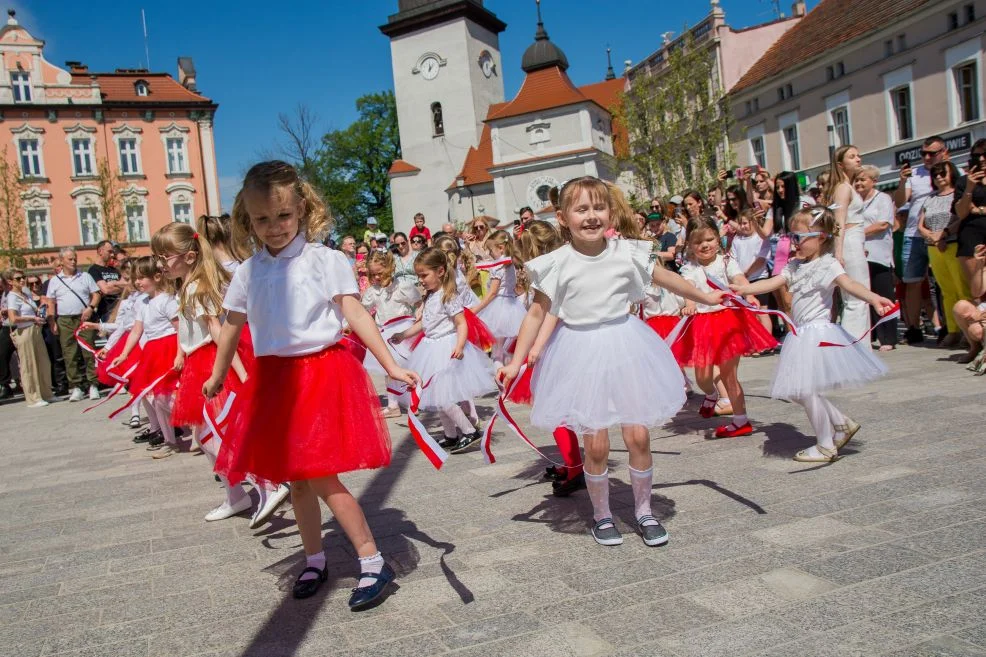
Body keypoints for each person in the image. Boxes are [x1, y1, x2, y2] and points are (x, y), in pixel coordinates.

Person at [204, 160, 419, 609]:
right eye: (262, 219)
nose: (274, 227)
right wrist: (219, 372)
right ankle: (315, 557)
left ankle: (372, 560)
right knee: (297, 481)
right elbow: (231, 324)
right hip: (274, 381)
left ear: (302, 208)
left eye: (283, 216)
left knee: (321, 474)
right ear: (247, 219)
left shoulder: (326, 259)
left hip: (319, 374)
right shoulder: (248, 272)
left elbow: (356, 314)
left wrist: (392, 365)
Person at [499, 176, 725, 548]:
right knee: (598, 444)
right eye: (581, 209)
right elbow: (537, 314)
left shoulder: (627, 252)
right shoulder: (555, 263)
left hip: (626, 346)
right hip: (581, 352)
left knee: (638, 435)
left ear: (610, 212)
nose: (591, 216)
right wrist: (515, 361)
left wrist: (704, 296)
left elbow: (665, 277)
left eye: (598, 207)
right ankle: (602, 515)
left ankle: (644, 510)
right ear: (563, 217)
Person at [731, 207, 894, 462]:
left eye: (800, 237)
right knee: (797, 391)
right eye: (793, 237)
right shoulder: (795, 266)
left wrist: (874, 298)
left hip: (816, 333)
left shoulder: (828, 265)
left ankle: (826, 444)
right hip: (800, 334)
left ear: (822, 237)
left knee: (804, 390)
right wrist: (744, 288)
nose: (794, 243)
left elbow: (850, 284)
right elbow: (773, 282)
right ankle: (841, 423)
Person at [675, 216, 778, 438]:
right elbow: (688, 288)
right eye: (698, 242)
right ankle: (711, 394)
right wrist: (690, 304)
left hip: (728, 321)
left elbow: (740, 279)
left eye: (710, 239)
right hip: (703, 323)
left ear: (718, 238)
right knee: (703, 377)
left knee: (729, 374)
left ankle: (740, 420)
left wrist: (749, 295)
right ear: (690, 246)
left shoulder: (726, 261)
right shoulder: (690, 268)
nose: (705, 245)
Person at [391, 247, 497, 454]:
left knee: (444, 396)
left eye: (424, 275)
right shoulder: (430, 296)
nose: (421, 280)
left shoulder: (448, 296)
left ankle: (469, 431)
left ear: (440, 271)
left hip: (445, 348)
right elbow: (424, 324)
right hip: (430, 347)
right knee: (436, 395)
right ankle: (450, 435)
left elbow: (461, 323)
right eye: (419, 276)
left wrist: (459, 346)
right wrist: (404, 334)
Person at [510, 220, 585, 497]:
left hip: (556, 346)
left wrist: (535, 346)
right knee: (558, 408)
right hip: (555, 344)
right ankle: (572, 462)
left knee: (556, 408)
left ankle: (576, 467)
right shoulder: (553, 269)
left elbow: (547, 312)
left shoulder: (550, 272)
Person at [110, 256, 181, 459]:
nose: (138, 282)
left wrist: (179, 354)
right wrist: (124, 354)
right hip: (153, 352)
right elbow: (136, 331)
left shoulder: (167, 300)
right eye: (136, 278)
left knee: (171, 396)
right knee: (156, 397)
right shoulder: (143, 304)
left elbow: (179, 329)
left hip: (168, 348)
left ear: (157, 277)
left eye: (142, 278)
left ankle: (194, 429)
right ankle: (170, 440)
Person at [894, 135, 950, 344]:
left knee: (944, 282)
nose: (926, 157)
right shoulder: (914, 175)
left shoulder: (952, 172)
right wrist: (901, 181)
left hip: (941, 234)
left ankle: (947, 326)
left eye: (932, 153)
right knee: (912, 283)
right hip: (913, 235)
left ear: (944, 152)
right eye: (923, 154)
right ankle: (913, 327)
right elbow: (900, 201)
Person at [361, 250, 421, 418]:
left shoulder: (402, 286)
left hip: (403, 330)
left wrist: (419, 312)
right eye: (373, 274)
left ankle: (417, 398)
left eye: (380, 273)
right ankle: (393, 405)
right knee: (389, 368)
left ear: (388, 268)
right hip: (385, 333)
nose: (377, 277)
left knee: (410, 366)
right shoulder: (373, 291)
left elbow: (418, 302)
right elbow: (362, 310)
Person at [85, 262, 144, 429]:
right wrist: (107, 344)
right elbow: (121, 327)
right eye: (128, 278)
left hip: (146, 342)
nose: (132, 282)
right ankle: (135, 413)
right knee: (133, 380)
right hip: (131, 344)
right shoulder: (126, 303)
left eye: (133, 278)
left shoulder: (145, 299)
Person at [918, 161, 971, 348]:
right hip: (934, 247)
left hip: (953, 244)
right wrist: (931, 236)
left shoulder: (957, 194)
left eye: (943, 173)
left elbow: (960, 217)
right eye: (935, 174)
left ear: (952, 174)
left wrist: (944, 234)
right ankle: (953, 330)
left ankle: (968, 331)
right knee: (946, 291)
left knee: (961, 289)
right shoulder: (930, 198)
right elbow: (920, 224)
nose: (939, 177)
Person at [43, 247, 102, 402]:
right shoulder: (55, 281)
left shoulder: (85, 276)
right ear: (61, 261)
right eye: (70, 259)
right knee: (69, 353)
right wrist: (52, 321)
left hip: (83, 317)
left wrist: (90, 308)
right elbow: (51, 302)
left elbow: (96, 294)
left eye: (75, 258)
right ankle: (76, 386)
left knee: (88, 350)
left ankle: (93, 384)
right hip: (64, 319)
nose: (74, 261)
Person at [825, 145, 871, 339]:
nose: (858, 159)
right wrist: (839, 252)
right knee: (857, 298)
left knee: (859, 298)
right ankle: (856, 348)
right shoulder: (843, 188)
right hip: (849, 243)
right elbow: (839, 221)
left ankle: (859, 346)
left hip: (854, 243)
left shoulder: (847, 186)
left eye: (858, 156)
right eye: (852, 157)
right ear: (841, 164)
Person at [855, 165, 898, 351]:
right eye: (856, 179)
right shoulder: (856, 202)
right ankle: (870, 334)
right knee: (866, 295)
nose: (858, 183)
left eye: (863, 179)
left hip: (879, 254)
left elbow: (882, 223)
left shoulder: (883, 198)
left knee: (884, 294)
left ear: (874, 181)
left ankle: (888, 337)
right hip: (859, 254)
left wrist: (858, 233)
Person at [472, 230, 527, 367]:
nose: (489, 254)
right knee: (506, 348)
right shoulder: (512, 265)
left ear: (501, 248)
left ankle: (500, 378)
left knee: (497, 352)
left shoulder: (497, 267)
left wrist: (476, 309)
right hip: (513, 305)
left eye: (490, 250)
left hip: (499, 307)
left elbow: (492, 293)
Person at [5, 269, 52, 407]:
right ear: (10, 281)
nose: (22, 280)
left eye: (23, 277)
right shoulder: (12, 296)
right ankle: (33, 398)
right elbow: (13, 319)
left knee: (43, 362)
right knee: (28, 365)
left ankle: (46, 393)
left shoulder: (25, 293)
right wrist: (32, 317)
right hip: (23, 331)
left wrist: (38, 314)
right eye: (18, 278)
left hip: (35, 329)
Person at [729, 209, 774, 342]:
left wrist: (747, 272)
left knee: (762, 311)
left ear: (754, 223)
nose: (743, 226)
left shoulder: (761, 239)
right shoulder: (737, 240)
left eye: (745, 223)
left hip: (759, 278)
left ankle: (767, 341)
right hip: (744, 281)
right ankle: (755, 341)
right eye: (741, 223)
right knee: (750, 313)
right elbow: (733, 257)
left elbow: (761, 259)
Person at [954, 139, 986, 300]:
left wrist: (978, 209)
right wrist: (969, 189)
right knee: (976, 291)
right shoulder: (963, 181)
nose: (981, 159)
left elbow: (973, 210)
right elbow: (961, 213)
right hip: (971, 237)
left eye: (984, 155)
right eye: (976, 156)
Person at [88, 240, 125, 322]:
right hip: (106, 312)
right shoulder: (94, 270)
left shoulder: (115, 270)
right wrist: (121, 287)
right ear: (100, 251)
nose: (112, 255)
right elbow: (106, 290)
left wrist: (113, 284)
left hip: (120, 310)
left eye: (113, 252)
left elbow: (127, 285)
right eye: (110, 252)